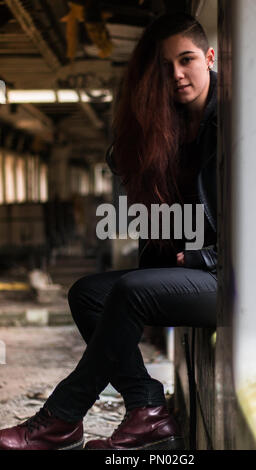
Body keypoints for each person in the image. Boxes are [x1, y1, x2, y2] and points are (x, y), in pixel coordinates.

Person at [0, 12, 217, 450]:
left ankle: (62, 415)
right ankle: (146, 406)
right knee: (87, 293)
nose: (176, 74)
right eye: (164, 66)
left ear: (209, 58)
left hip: (231, 278)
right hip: (191, 271)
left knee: (131, 290)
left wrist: (202, 257)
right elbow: (123, 162)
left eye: (186, 60)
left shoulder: (237, 121)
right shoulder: (173, 125)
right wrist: (148, 112)